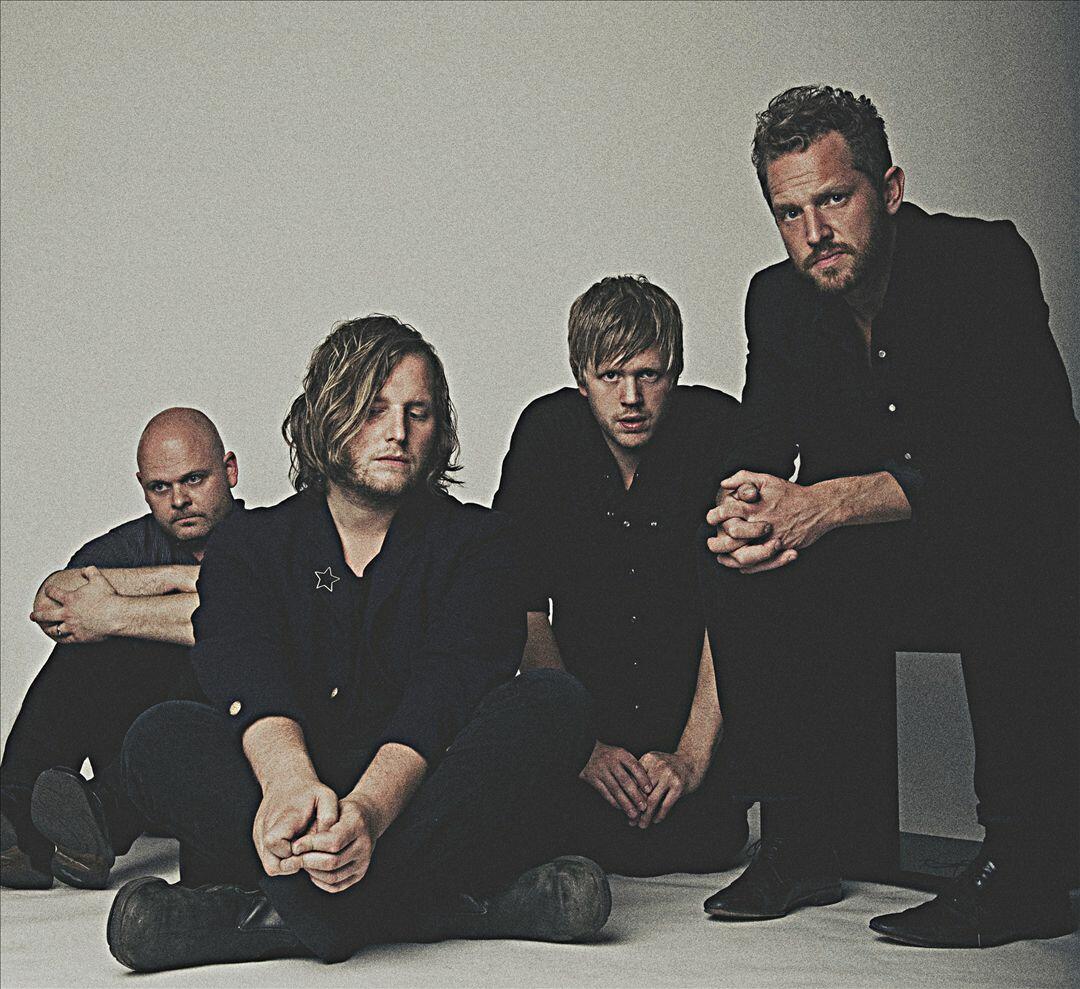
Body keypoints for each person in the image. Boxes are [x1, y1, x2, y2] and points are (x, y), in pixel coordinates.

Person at [103, 316, 609, 973]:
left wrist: (366, 815)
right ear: (326, 416)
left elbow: (446, 694)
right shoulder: (250, 544)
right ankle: (465, 907)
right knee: (156, 737)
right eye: (373, 410)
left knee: (556, 703)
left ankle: (274, 918)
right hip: (284, 802)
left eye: (417, 412)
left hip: (419, 799)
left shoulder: (479, 543)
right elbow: (243, 668)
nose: (397, 432)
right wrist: (290, 787)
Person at [699, 85, 1078, 948]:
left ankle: (1024, 867)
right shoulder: (778, 299)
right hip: (882, 561)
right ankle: (800, 837)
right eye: (789, 212)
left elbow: (1024, 461)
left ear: (891, 188)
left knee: (1013, 546)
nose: (814, 231)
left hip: (1016, 538)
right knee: (738, 560)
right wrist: (743, 508)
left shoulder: (982, 264)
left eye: (835, 198)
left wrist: (825, 504)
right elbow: (761, 447)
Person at [494, 275, 748, 876]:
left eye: (649, 375)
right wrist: (577, 744)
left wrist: (690, 758)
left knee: (709, 840)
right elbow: (520, 601)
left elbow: (736, 606)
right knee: (544, 833)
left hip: (695, 719)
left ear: (675, 372)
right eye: (610, 376)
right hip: (582, 724)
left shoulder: (717, 429)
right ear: (581, 378)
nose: (631, 397)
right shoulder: (546, 436)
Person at [0, 407, 243, 890]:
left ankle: (104, 816)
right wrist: (175, 581)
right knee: (85, 639)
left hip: (210, 758)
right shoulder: (133, 545)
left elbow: (262, 616)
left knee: (220, 648)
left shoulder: (271, 538)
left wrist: (117, 608)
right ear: (142, 488)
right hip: (124, 742)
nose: (179, 500)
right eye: (160, 487)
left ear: (230, 471)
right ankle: (17, 816)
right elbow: (52, 601)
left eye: (194, 479)